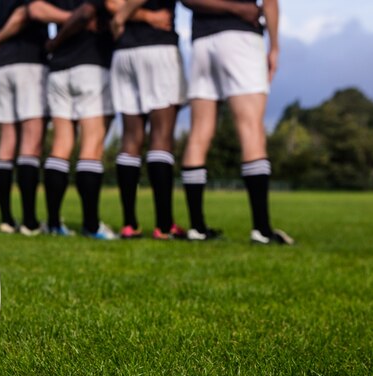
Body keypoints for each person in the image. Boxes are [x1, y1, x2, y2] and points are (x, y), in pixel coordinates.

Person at [28, 0, 172, 239]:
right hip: (92, 64)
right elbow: (89, 11)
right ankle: (92, 226)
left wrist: (58, 38)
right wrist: (73, 22)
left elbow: (35, 8)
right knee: (91, 145)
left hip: (59, 68)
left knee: (61, 144)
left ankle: (54, 223)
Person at [179, 0, 294, 244]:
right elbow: (270, 3)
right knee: (251, 129)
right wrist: (274, 47)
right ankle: (261, 230)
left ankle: (197, 228)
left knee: (198, 134)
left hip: (202, 41)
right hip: (240, 37)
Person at [108, 0, 187, 240]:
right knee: (161, 137)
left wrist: (127, 15)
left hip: (124, 52)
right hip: (157, 48)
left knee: (131, 138)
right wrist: (141, 16)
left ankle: (129, 224)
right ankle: (164, 226)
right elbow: (116, 9)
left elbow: (112, 4)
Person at [0, 0, 48, 236]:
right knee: (31, 143)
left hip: (4, 66)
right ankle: (30, 222)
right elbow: (24, 14)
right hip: (29, 63)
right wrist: (2, 37)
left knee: (6, 142)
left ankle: (6, 220)